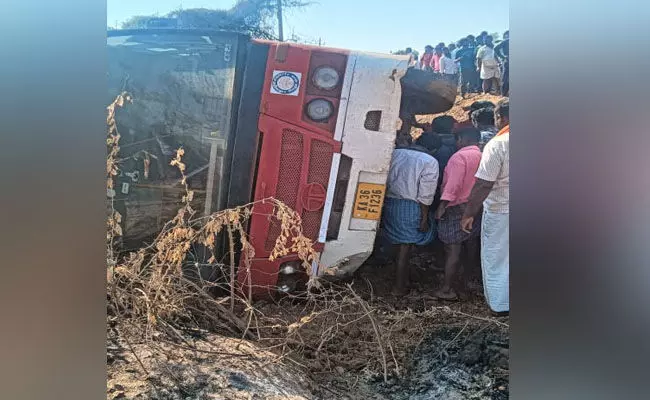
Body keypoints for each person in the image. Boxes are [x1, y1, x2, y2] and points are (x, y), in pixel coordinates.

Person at [461, 100, 509, 315]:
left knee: (496, 258)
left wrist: (469, 213)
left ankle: (500, 305)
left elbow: (484, 183)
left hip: (501, 211)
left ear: (501, 118)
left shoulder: (498, 144)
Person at [382, 133, 441, 295]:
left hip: (391, 203)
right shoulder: (429, 161)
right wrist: (424, 218)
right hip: (412, 207)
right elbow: (426, 194)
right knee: (405, 248)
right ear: (434, 150)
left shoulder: (395, 153)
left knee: (396, 244)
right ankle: (399, 286)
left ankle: (398, 279)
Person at [434, 128, 483, 300]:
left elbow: (453, 185)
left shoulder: (459, 157)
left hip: (457, 206)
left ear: (462, 139)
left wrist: (442, 205)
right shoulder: (483, 155)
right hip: (475, 206)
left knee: (452, 248)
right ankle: (465, 283)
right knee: (470, 244)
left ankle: (447, 289)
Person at [495, 30, 509, 95]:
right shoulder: (506, 41)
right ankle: (503, 93)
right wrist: (503, 57)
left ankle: (504, 93)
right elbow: (496, 48)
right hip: (508, 61)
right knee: (505, 78)